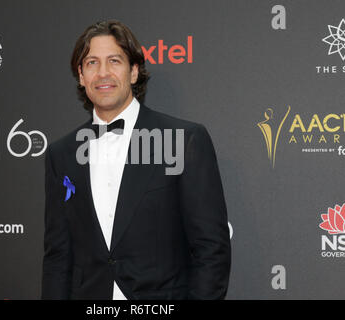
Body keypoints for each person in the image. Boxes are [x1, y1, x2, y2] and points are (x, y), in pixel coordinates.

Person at [42, 19, 231, 300]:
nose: (103, 73)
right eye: (92, 63)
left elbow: (211, 248)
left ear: (133, 72)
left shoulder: (183, 140)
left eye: (114, 61)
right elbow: (58, 256)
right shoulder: (62, 154)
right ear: (81, 76)